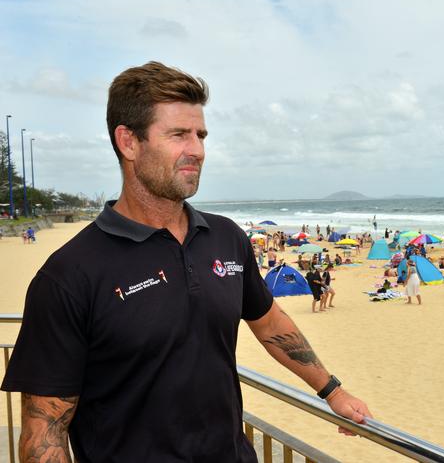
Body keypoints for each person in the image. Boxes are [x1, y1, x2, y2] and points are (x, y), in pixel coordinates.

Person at [1, 62, 371, 462]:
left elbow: (269, 322)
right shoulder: (70, 274)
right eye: (178, 134)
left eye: (200, 135)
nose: (196, 150)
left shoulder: (226, 237)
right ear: (128, 142)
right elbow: (44, 436)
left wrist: (332, 390)